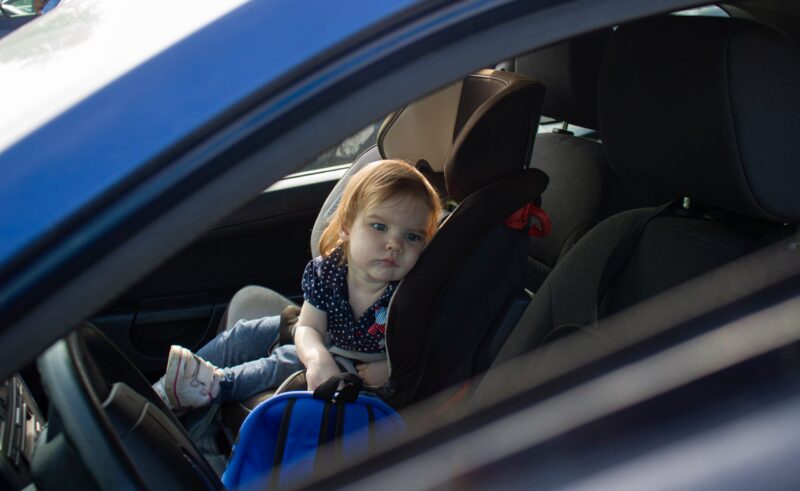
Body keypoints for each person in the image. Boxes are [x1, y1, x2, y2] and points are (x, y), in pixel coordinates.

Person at [154, 159, 442, 412]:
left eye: (413, 237)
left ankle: (216, 386)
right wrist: (317, 356)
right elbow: (308, 327)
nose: (395, 244)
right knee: (245, 333)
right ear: (346, 228)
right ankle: (172, 382)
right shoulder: (328, 271)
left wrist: (392, 369)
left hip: (355, 364)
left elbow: (427, 346)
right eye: (379, 227)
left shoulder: (408, 292)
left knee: (286, 359)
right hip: (324, 337)